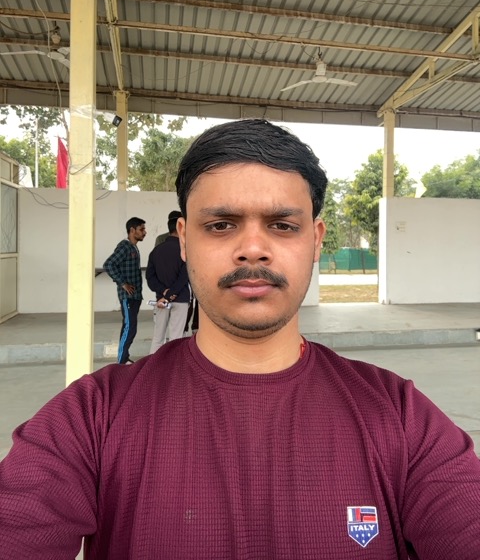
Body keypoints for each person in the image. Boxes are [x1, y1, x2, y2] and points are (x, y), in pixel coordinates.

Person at [0, 119, 479, 560]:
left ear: (316, 240)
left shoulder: (399, 415)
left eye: (282, 225)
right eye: (221, 225)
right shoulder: (92, 416)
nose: (252, 248)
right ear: (184, 239)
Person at [103, 216, 146, 364]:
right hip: (127, 296)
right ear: (132, 230)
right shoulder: (125, 247)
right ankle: (121, 362)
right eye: (141, 229)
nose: (144, 232)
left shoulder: (133, 247)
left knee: (129, 327)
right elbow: (108, 264)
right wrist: (123, 283)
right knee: (130, 327)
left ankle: (124, 357)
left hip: (135, 296)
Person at [146, 212, 190, 352]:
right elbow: (184, 277)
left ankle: (153, 364)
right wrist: (171, 294)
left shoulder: (155, 251)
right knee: (176, 338)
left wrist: (164, 293)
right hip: (180, 299)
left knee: (157, 338)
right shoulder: (185, 252)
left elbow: (150, 278)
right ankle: (173, 365)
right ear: (180, 229)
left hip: (161, 300)